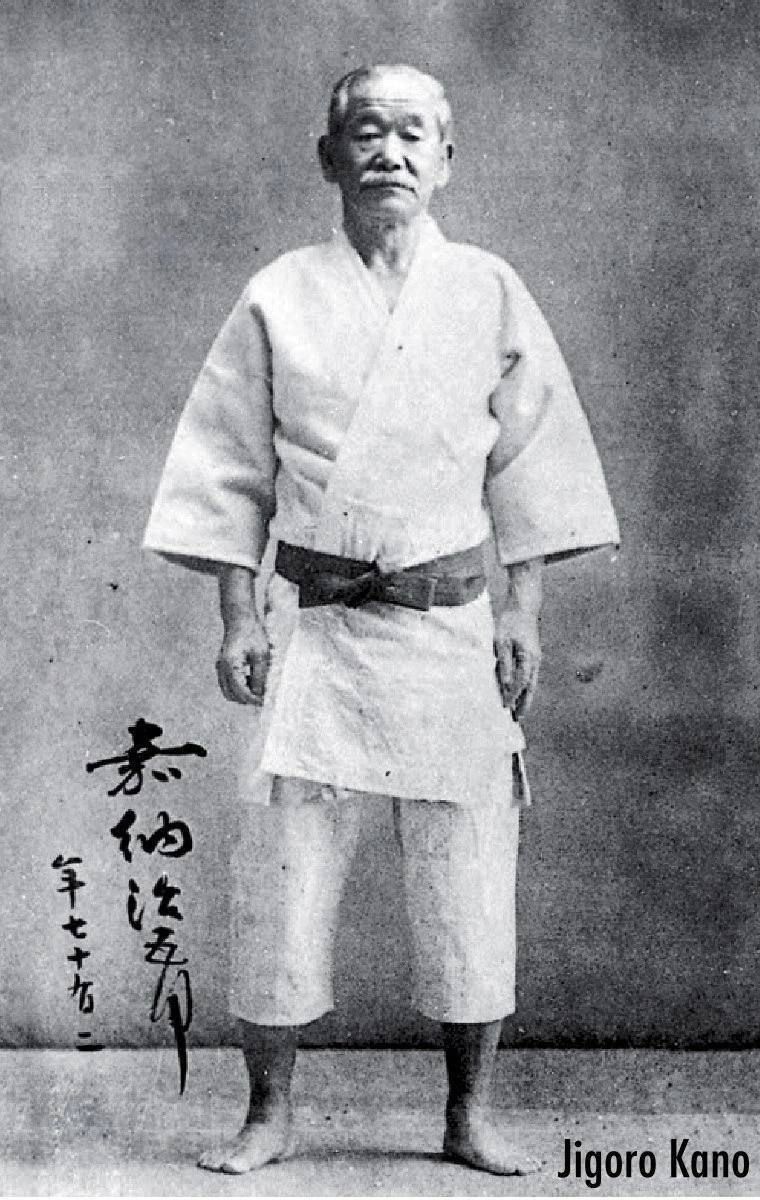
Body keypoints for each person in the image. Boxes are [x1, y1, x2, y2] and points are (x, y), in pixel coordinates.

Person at [143, 63, 619, 1175]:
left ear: (445, 159)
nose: (389, 153)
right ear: (330, 156)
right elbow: (228, 467)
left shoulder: (487, 290)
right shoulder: (280, 293)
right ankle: (268, 1113)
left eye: (412, 134)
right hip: (315, 624)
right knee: (282, 875)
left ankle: (468, 1113)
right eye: (366, 131)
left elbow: (531, 461)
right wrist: (236, 615)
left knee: (468, 870)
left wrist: (524, 608)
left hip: (447, 622)